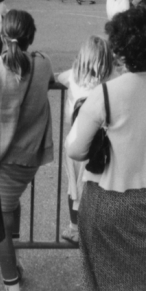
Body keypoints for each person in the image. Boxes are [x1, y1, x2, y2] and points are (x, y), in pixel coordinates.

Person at [66, 6, 146, 291]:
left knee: (106, 277)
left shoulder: (106, 94)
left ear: (120, 49)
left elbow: (76, 150)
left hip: (110, 199)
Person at [0, 10, 55, 291]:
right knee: (8, 213)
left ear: (3, 37)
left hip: (3, 158)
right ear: (31, 37)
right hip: (31, 155)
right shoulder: (43, 64)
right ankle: (14, 265)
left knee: (1, 228)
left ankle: (12, 283)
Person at [56, 36, 116, 245]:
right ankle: (98, 230)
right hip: (104, 143)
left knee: (74, 188)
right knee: (99, 187)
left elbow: (56, 78)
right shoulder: (113, 81)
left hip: (76, 143)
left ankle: (74, 228)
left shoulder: (72, 77)